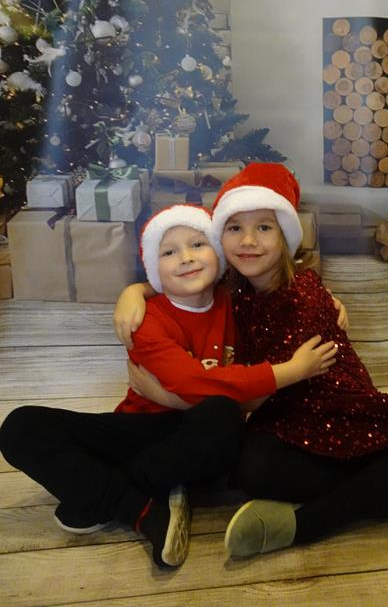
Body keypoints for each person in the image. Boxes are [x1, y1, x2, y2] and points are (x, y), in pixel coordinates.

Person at [126, 164, 388, 559]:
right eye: (235, 228)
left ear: (285, 237)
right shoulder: (233, 291)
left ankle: (307, 524)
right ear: (220, 239)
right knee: (250, 470)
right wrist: (136, 291)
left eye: (264, 228)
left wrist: (166, 398)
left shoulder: (300, 297)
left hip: (340, 410)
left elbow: (251, 395)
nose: (248, 240)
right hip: (284, 421)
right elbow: (181, 282)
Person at [0, 204, 337, 569]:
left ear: (218, 254)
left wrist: (328, 301)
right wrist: (289, 372)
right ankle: (142, 506)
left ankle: (108, 494)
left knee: (221, 415)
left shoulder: (236, 304)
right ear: (153, 268)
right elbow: (191, 382)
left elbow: (282, 300)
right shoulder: (146, 320)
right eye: (169, 252)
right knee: (21, 427)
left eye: (198, 245)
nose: (186, 258)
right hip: (140, 427)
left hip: (202, 436)